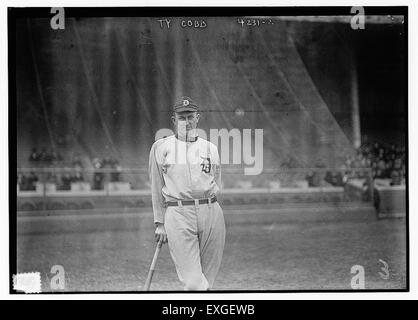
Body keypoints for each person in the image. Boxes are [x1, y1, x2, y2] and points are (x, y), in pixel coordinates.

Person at [149, 96, 225, 290]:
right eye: (182, 118)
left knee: (208, 280)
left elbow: (216, 179)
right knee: (193, 283)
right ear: (174, 120)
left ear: (197, 118)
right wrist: (159, 222)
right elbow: (156, 187)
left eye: (190, 117)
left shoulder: (211, 148)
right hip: (178, 213)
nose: (187, 121)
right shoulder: (161, 147)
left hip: (211, 211)